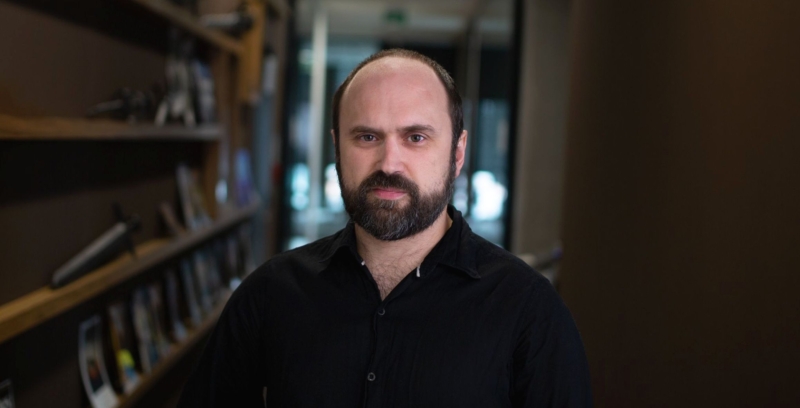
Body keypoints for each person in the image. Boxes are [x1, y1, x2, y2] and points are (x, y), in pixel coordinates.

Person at [178, 49, 591, 407]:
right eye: (367, 137)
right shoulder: (270, 294)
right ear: (337, 147)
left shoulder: (529, 311)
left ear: (457, 153)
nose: (389, 163)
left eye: (416, 137)